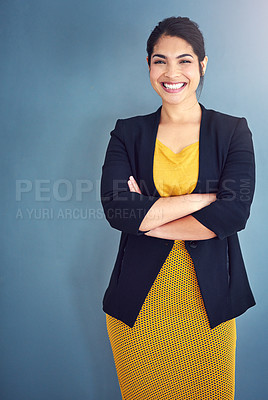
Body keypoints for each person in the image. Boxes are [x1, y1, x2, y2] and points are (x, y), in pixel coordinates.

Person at [100, 16, 255, 400]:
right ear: (149, 66)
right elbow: (118, 211)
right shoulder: (127, 132)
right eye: (160, 60)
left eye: (184, 60)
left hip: (209, 304)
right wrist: (203, 200)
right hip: (140, 306)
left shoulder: (232, 131)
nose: (172, 72)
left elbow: (234, 214)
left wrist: (148, 217)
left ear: (203, 65)